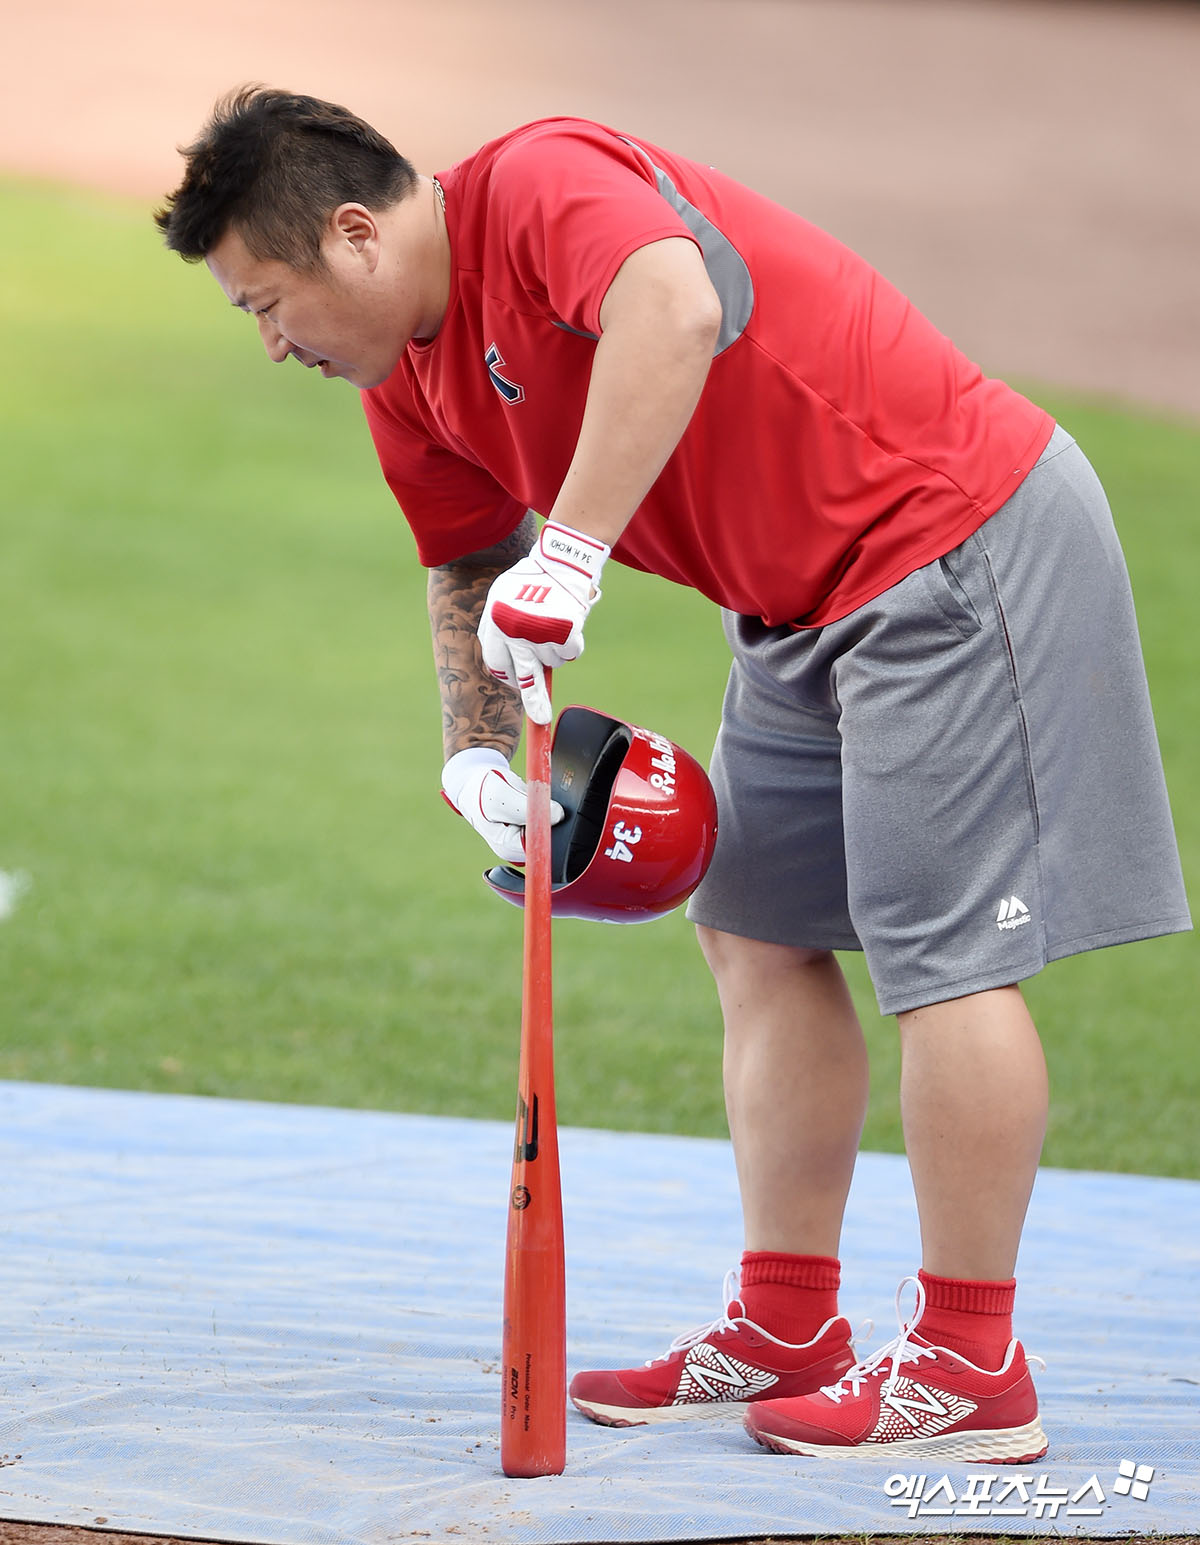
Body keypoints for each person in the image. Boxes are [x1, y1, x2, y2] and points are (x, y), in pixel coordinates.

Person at [155, 87, 1191, 1461]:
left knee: (938, 962)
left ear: (354, 234)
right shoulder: (406, 381)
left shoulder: (535, 185)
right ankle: (786, 1321)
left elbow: (677, 302)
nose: (275, 342)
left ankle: (970, 1365)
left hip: (948, 533)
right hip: (790, 599)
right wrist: (471, 757)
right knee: (755, 937)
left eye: (266, 303)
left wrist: (574, 551)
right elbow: (465, 561)